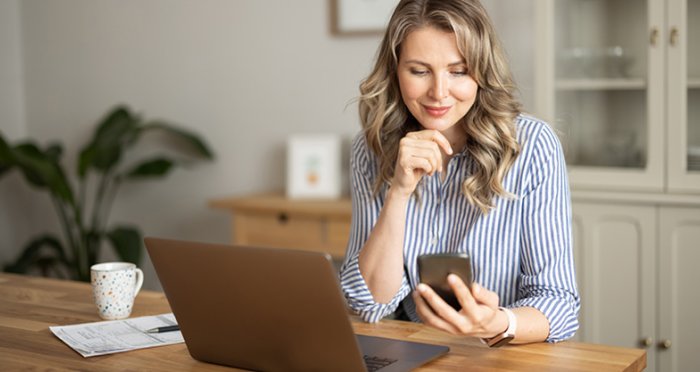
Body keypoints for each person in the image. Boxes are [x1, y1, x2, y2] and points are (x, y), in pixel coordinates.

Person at [339, 0, 580, 345]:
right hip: (415, 352)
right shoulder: (370, 149)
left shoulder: (532, 146)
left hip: (503, 355)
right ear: (395, 71)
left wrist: (497, 322)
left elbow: (560, 303)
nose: (439, 92)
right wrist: (400, 191)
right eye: (419, 71)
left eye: (459, 71)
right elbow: (368, 303)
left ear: (481, 71)